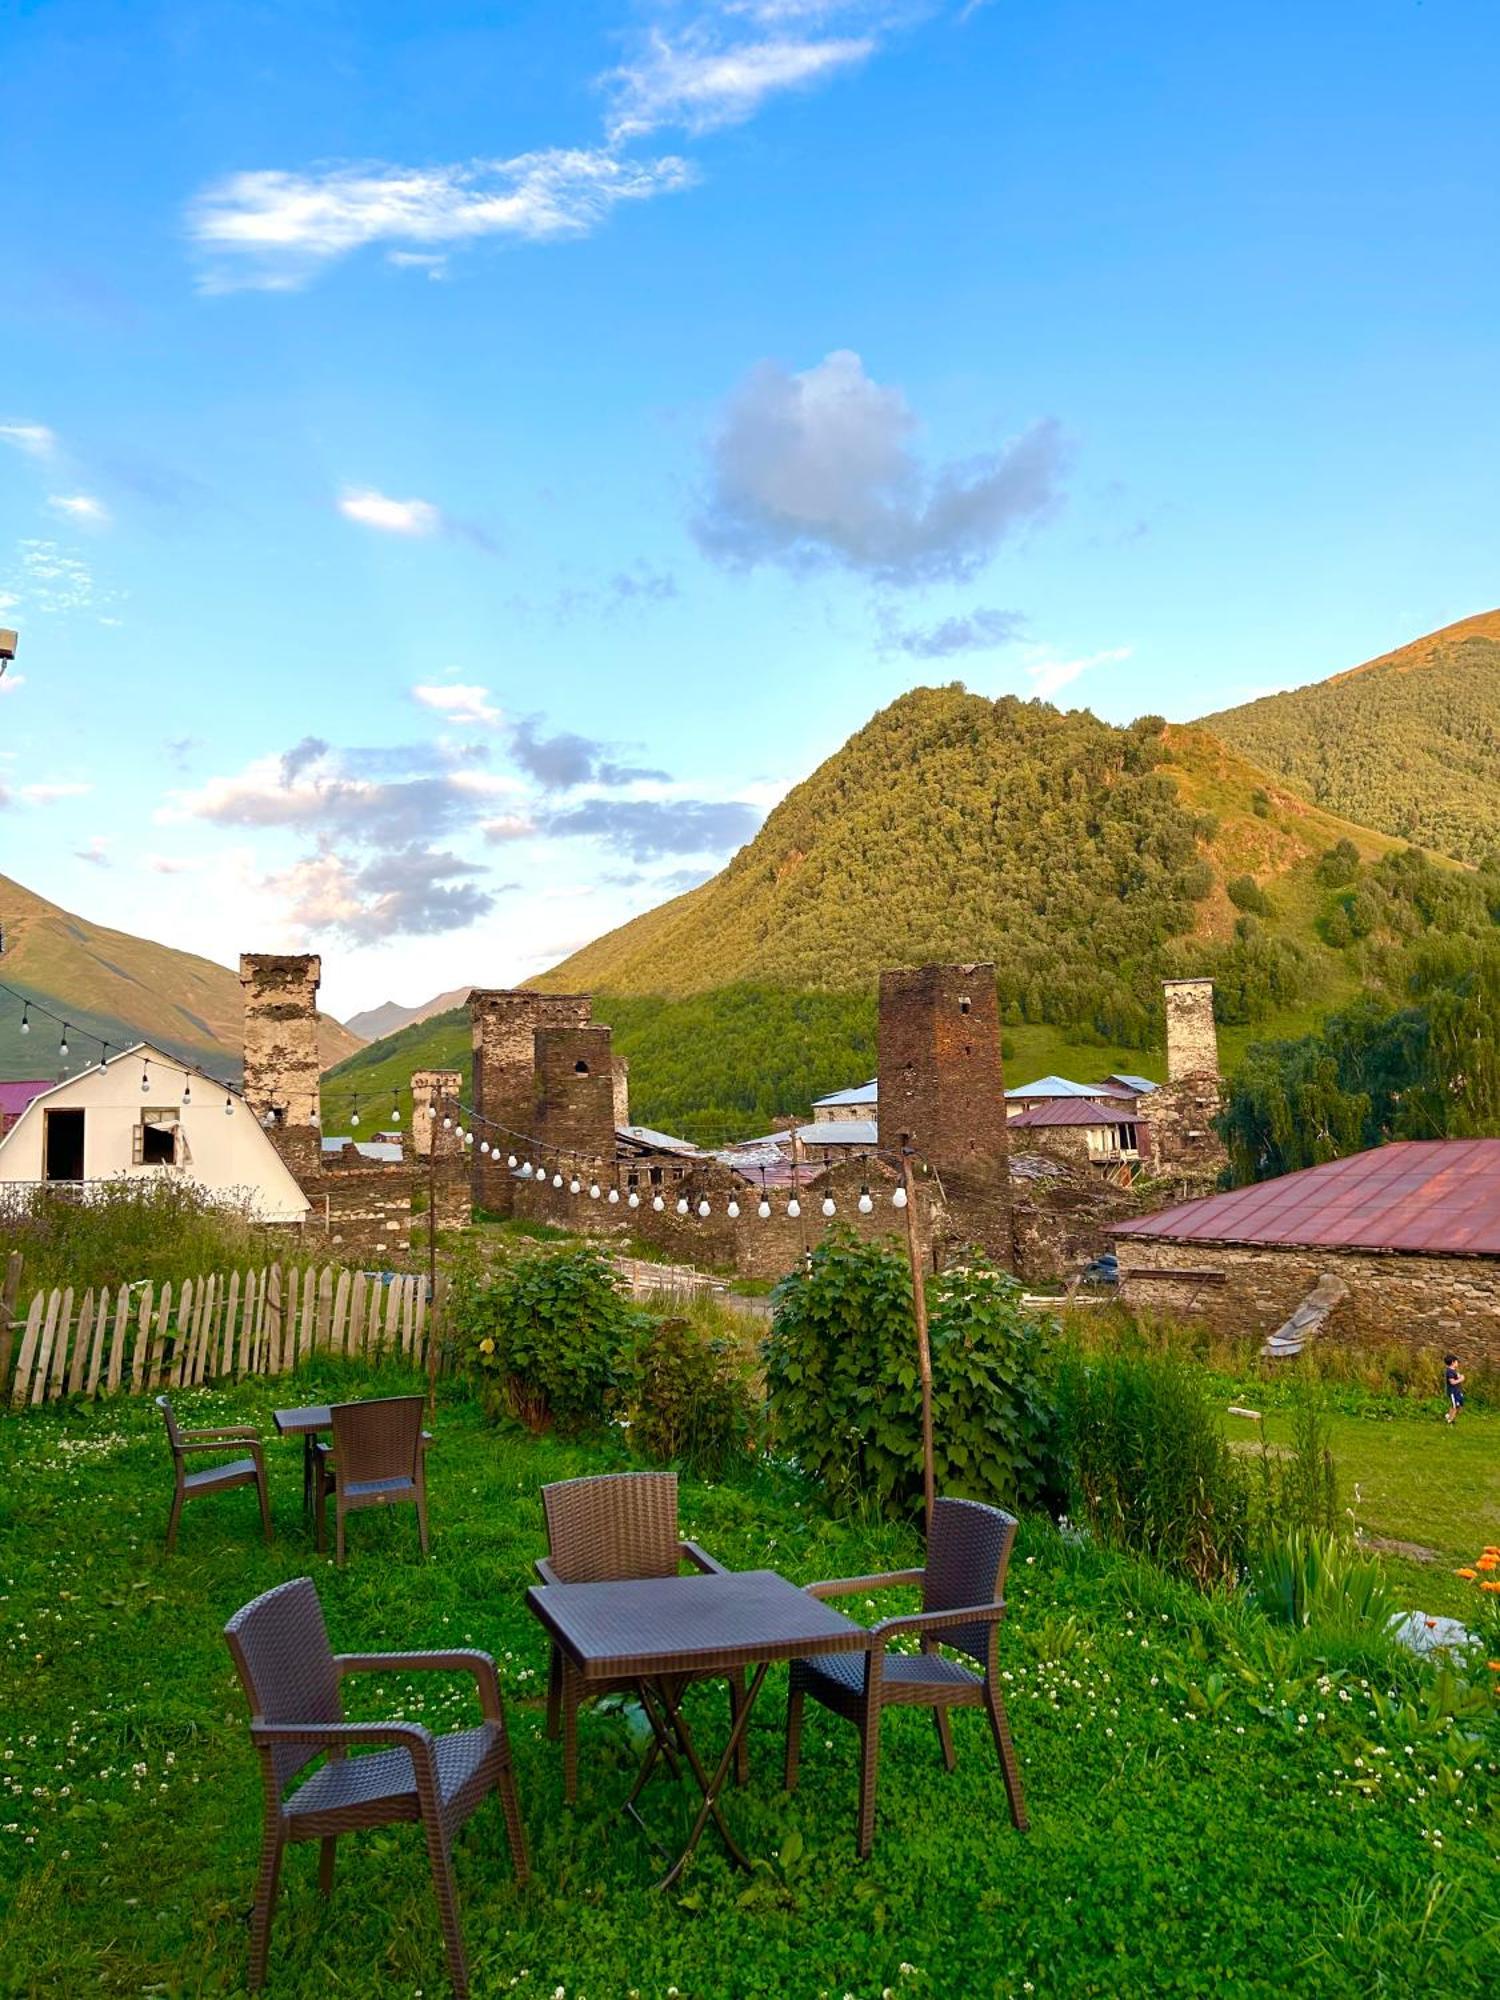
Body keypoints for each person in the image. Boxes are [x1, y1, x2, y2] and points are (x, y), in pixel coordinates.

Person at [1444, 1352, 1465, 1424]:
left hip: (1457, 1391)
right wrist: (1460, 1379)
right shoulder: (1449, 1372)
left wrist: (1460, 1376)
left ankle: (1449, 1416)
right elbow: (1452, 1382)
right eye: (1457, 1362)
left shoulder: (1454, 1371)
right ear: (1452, 1362)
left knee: (1459, 1406)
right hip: (1452, 1392)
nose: (1458, 1363)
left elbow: (1458, 1376)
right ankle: (1450, 1421)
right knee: (1454, 1407)